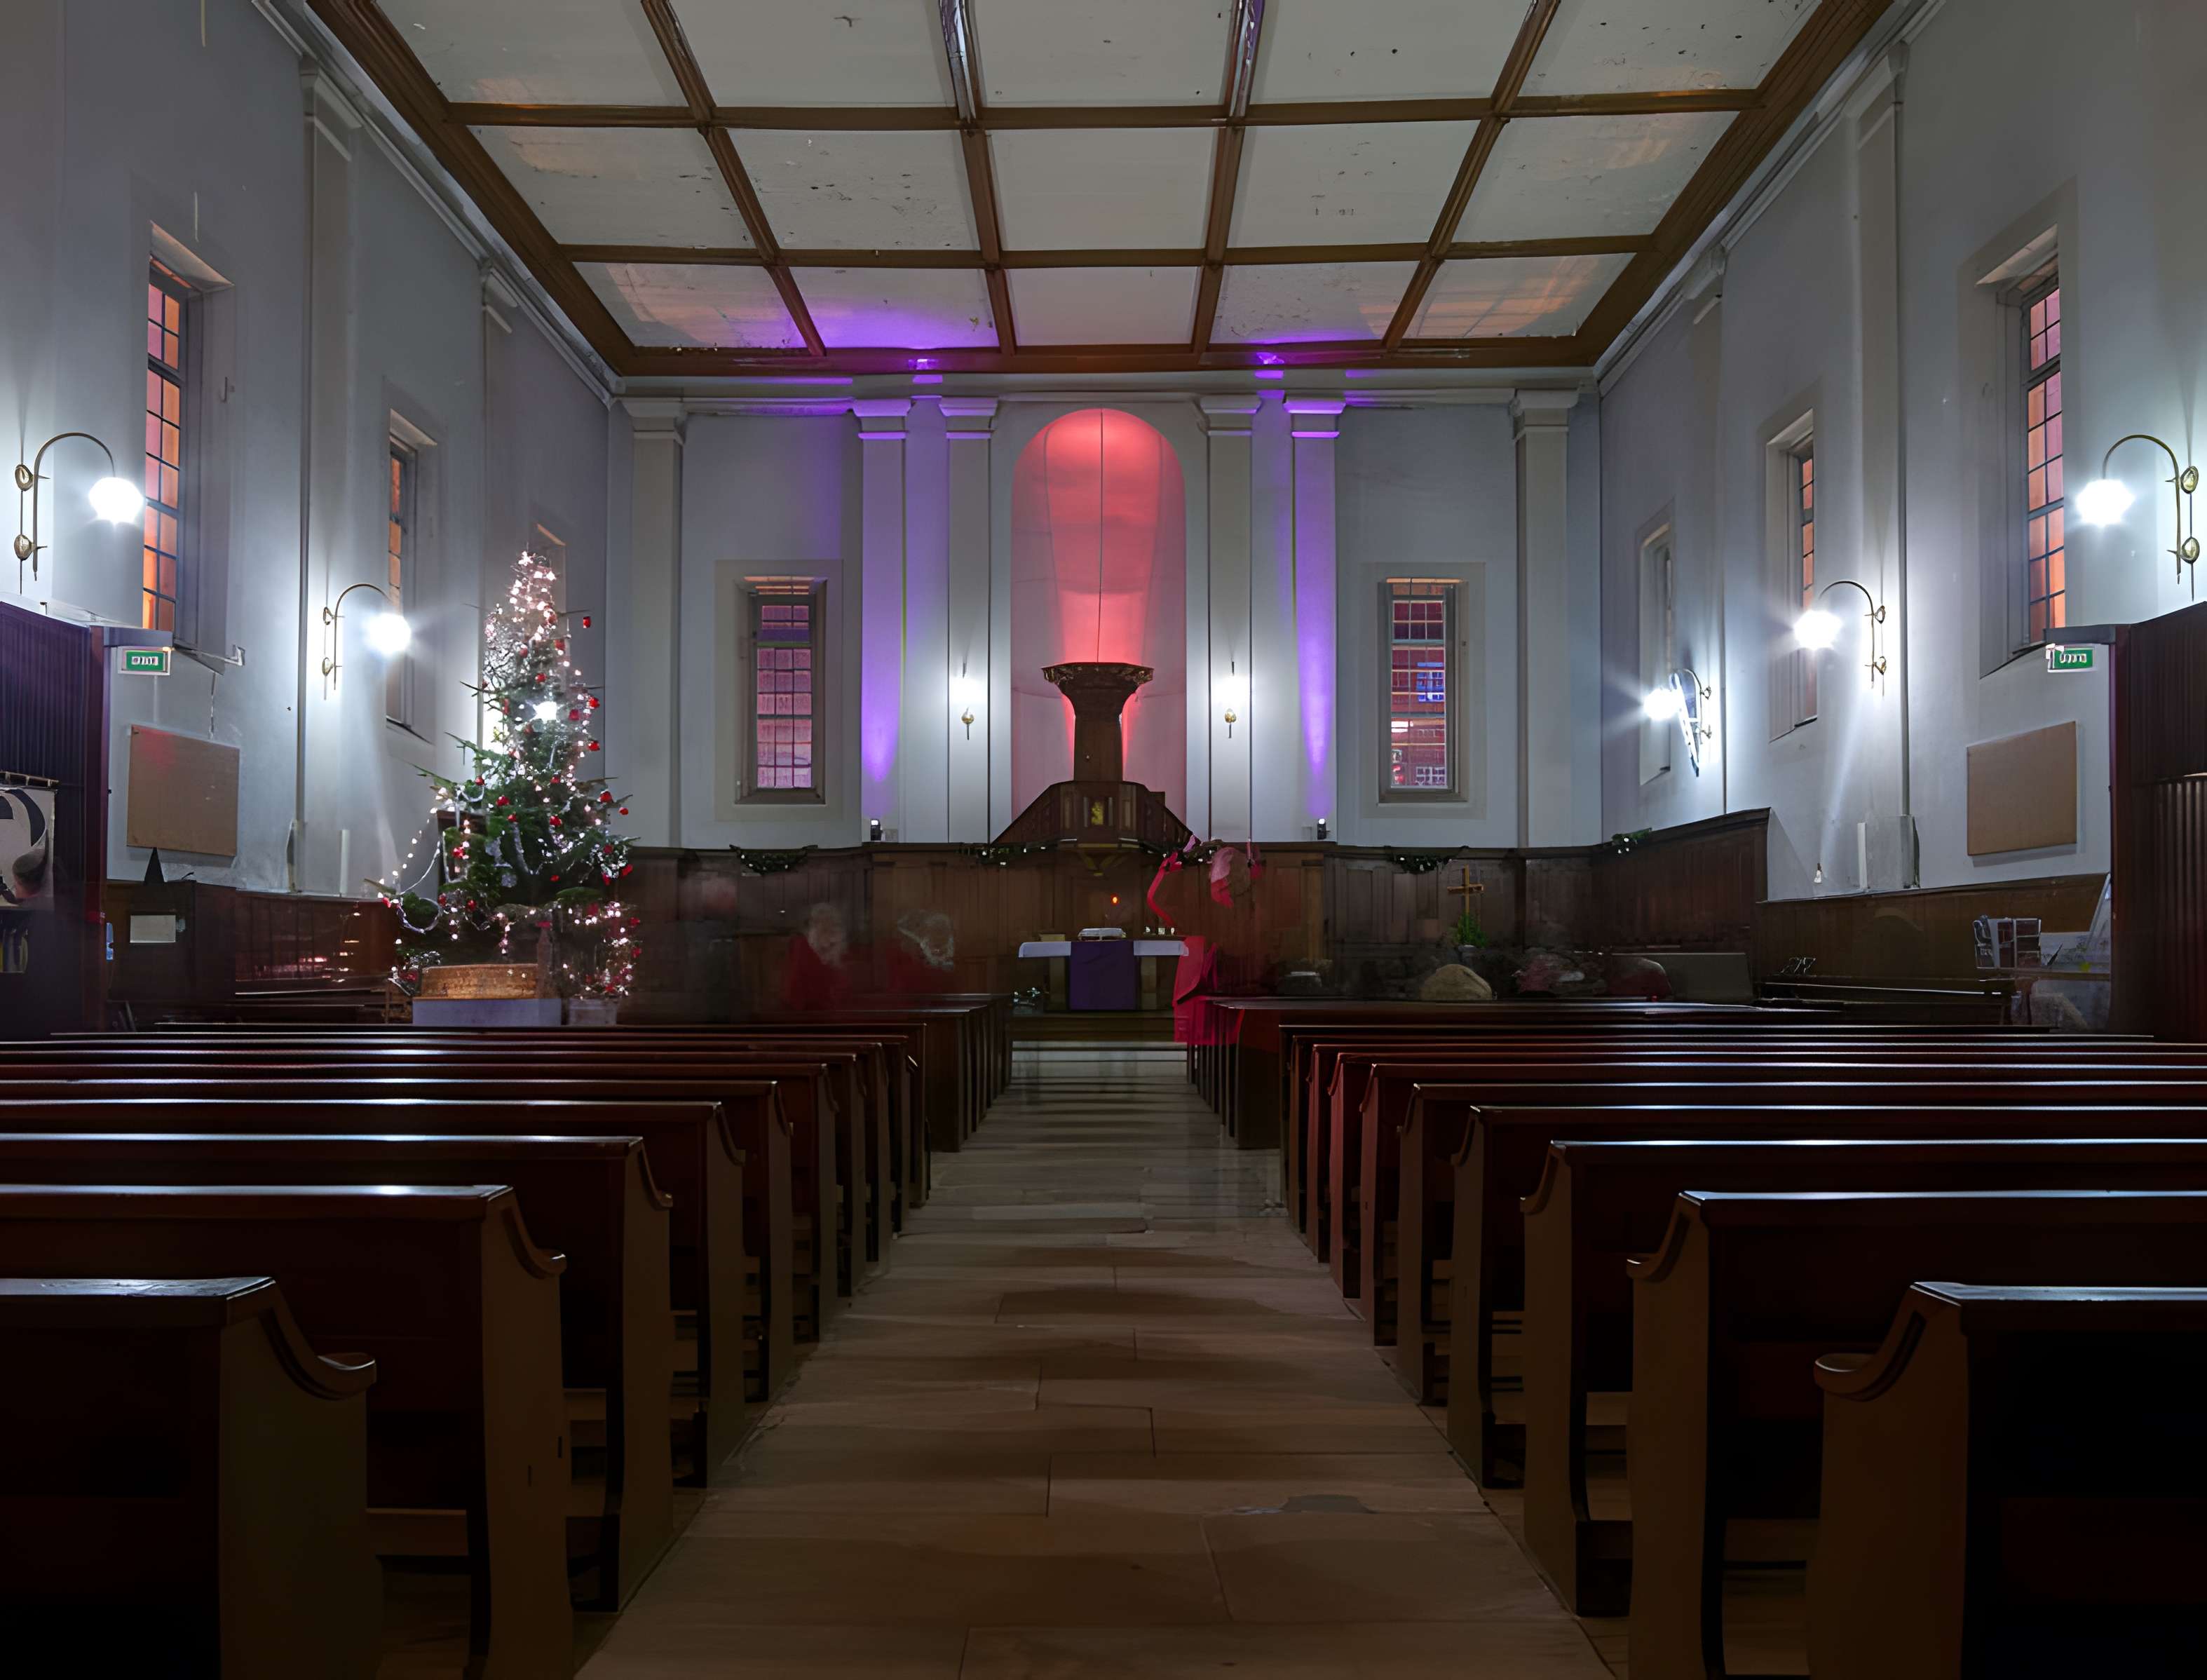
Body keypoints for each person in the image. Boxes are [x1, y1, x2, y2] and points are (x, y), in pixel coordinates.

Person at [784, 902, 851, 1012]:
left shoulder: (839, 953)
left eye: (835, 926)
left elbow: (843, 991)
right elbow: (796, 995)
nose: (831, 930)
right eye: (824, 926)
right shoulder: (802, 948)